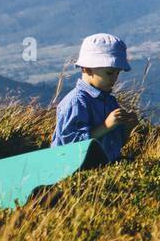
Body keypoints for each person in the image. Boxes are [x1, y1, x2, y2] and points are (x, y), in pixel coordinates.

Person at [51, 33, 140, 163]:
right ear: (87, 69)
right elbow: (69, 146)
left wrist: (128, 128)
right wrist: (106, 126)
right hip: (72, 169)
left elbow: (114, 144)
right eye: (109, 73)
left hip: (105, 166)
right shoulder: (76, 102)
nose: (114, 78)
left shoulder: (109, 101)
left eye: (117, 73)